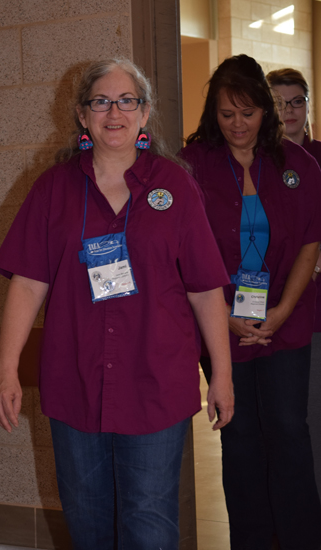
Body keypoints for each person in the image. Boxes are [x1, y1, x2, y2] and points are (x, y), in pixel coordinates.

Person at [0, 58, 234, 550]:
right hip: (73, 382)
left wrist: (223, 375)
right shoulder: (54, 189)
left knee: (150, 525)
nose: (114, 112)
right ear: (83, 115)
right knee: (88, 524)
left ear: (145, 113)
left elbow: (205, 288)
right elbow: (28, 283)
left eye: (127, 101)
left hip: (156, 382)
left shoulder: (175, 186)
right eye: (101, 101)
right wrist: (5, 368)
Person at [179, 54, 321, 550]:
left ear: (266, 110)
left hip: (286, 319)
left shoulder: (298, 165)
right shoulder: (191, 167)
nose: (238, 124)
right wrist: (223, 314)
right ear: (212, 113)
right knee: (238, 434)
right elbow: (184, 250)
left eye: (248, 113)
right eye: (226, 114)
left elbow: (310, 243)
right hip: (220, 324)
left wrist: (281, 312)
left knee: (288, 429)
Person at [267, 67, 321, 501]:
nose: (289, 111)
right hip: (277, 311)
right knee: (291, 420)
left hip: (315, 306)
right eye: (278, 102)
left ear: (308, 105)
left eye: (296, 101)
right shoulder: (256, 162)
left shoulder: (318, 158)